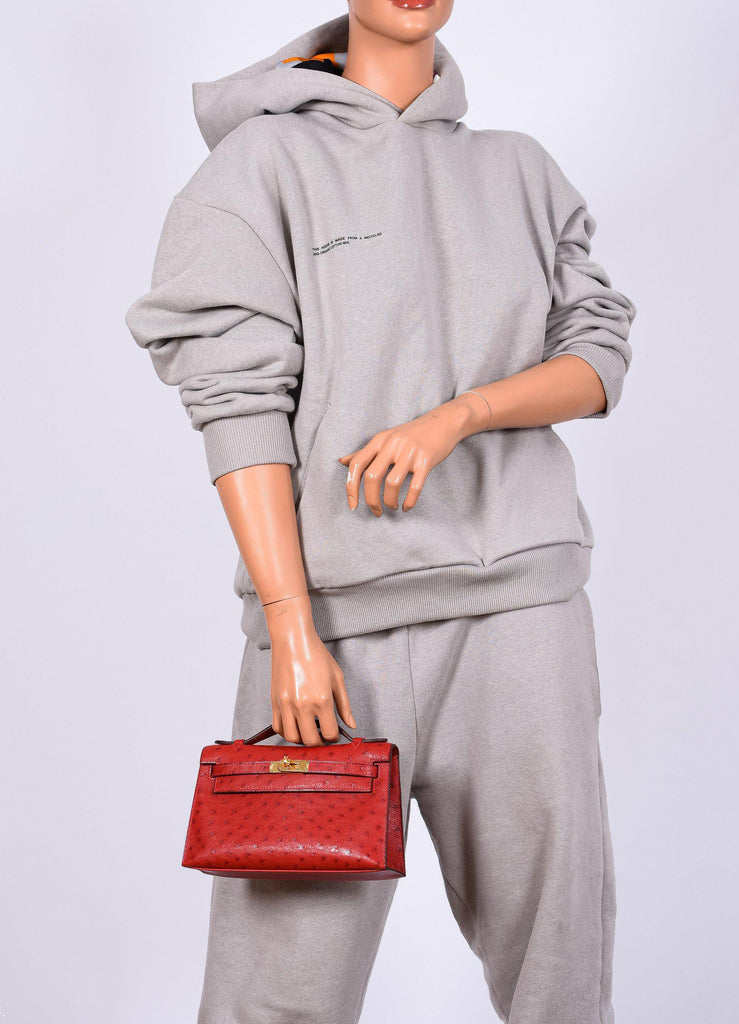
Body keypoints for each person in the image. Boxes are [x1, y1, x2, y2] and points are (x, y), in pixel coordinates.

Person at [125, 2, 636, 1021]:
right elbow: (235, 399)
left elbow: (598, 352)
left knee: (561, 973)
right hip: (333, 638)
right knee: (279, 989)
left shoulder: (521, 169)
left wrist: (459, 415)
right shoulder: (259, 167)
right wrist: (290, 627)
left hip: (525, 619)